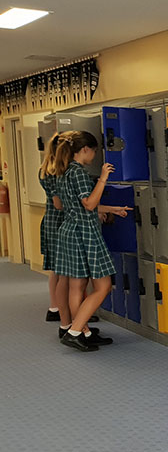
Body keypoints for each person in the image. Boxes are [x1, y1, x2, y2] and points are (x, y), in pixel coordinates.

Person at [49, 130, 127, 351]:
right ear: (85, 150)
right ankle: (75, 331)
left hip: (70, 230)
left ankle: (83, 331)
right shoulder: (80, 173)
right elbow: (90, 205)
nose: (95, 155)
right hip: (85, 234)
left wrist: (113, 209)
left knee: (78, 285)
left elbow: (73, 206)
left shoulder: (62, 172)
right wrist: (102, 178)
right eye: (94, 151)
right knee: (103, 286)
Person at [38, 134, 68, 326]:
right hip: (58, 220)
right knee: (61, 269)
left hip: (50, 220)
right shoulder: (54, 172)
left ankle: (54, 307)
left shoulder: (43, 169)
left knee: (56, 269)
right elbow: (59, 204)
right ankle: (59, 308)